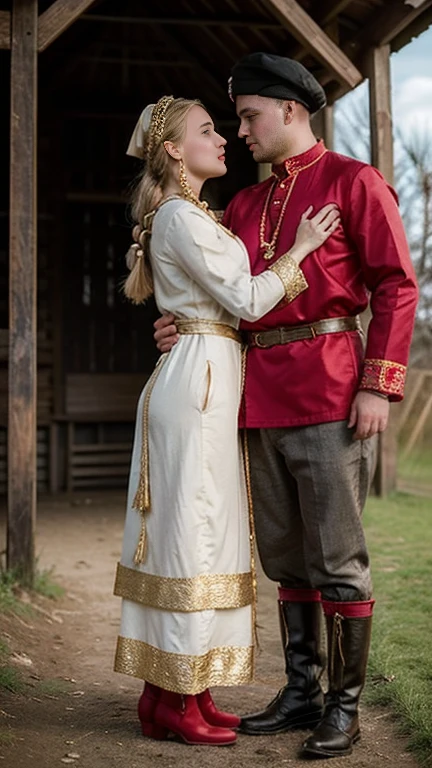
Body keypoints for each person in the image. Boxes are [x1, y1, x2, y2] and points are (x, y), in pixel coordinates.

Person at [153, 54, 419, 759]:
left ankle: (345, 704)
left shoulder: (353, 181)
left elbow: (397, 283)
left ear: (292, 111)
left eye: (249, 116)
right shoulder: (241, 204)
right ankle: (301, 691)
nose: (240, 131)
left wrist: (377, 383)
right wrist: (181, 323)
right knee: (284, 559)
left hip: (333, 388)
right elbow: (230, 297)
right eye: (235, 119)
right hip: (255, 394)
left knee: (337, 559)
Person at [113, 95, 340, 747]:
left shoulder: (189, 216)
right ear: (176, 152)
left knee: (201, 530)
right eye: (208, 130)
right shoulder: (181, 217)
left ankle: (174, 694)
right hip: (201, 381)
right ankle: (179, 699)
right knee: (194, 531)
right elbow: (243, 300)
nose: (224, 138)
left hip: (204, 368)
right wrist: (298, 251)